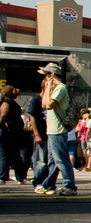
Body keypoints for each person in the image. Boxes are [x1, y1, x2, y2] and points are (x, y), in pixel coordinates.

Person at [38, 62, 78, 196]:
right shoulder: (54, 89)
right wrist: (48, 88)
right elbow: (43, 104)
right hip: (52, 130)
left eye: (46, 75)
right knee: (53, 160)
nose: (44, 78)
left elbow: (49, 105)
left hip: (58, 129)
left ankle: (69, 186)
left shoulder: (61, 88)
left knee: (61, 159)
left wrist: (49, 87)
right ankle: (48, 183)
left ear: (52, 74)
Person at [0, 85, 28, 184]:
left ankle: (2, 177)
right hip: (15, 132)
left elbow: (3, 115)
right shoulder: (15, 104)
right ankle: (21, 177)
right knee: (16, 156)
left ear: (4, 93)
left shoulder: (6, 103)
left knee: (3, 154)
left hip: (6, 132)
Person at [26, 83, 50, 193]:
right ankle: (38, 182)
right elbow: (32, 117)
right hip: (41, 134)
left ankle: (47, 182)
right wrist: (36, 134)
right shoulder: (36, 100)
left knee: (49, 160)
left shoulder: (51, 101)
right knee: (40, 160)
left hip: (51, 134)